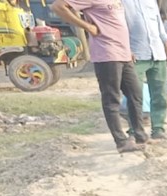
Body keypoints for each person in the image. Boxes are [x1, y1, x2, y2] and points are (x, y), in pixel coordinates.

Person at [51, 0, 147, 153]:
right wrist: (87, 26)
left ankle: (140, 135)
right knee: (112, 99)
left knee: (135, 94)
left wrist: (128, 50)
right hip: (107, 54)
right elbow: (57, 6)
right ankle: (121, 142)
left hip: (124, 54)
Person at [124, 0, 167, 140]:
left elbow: (160, 28)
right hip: (136, 55)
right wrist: (126, 49)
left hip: (157, 53)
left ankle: (158, 128)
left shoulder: (151, 2)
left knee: (160, 94)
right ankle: (134, 130)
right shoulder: (122, 2)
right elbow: (120, 28)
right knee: (134, 95)